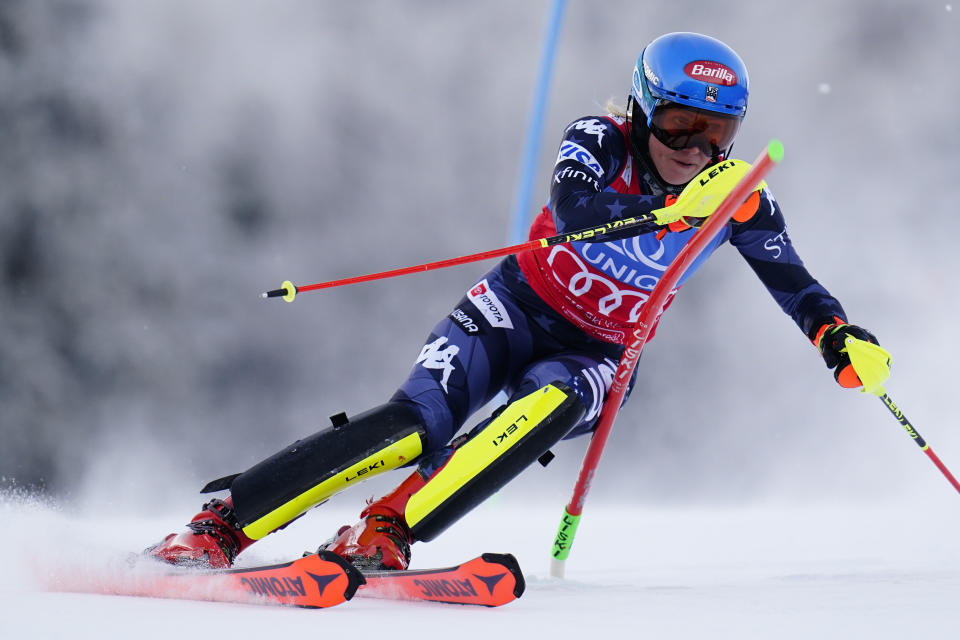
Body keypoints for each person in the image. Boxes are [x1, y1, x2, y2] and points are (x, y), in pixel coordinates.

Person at [147, 32, 889, 571]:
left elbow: (793, 280)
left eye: (715, 133)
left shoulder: (739, 198)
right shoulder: (598, 137)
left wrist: (838, 338)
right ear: (643, 111)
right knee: (414, 427)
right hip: (513, 309)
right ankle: (222, 525)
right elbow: (573, 211)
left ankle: (385, 532)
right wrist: (668, 213)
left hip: (597, 354)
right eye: (678, 126)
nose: (694, 150)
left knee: (548, 406)